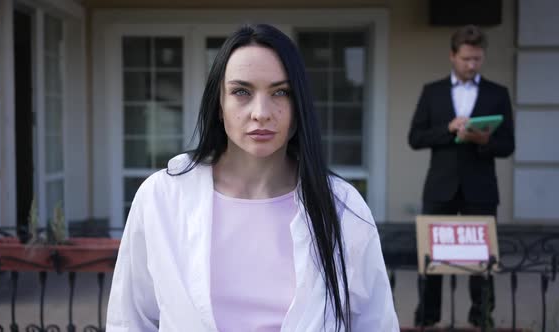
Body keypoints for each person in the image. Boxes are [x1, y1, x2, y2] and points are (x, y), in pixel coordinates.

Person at [107, 24, 399, 332]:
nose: (261, 112)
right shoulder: (161, 197)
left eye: (280, 92)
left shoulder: (342, 207)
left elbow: (375, 322)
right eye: (241, 92)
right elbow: (130, 320)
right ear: (219, 105)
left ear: (298, 106)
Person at [408, 25, 515, 327]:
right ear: (453, 56)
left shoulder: (498, 93)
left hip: (481, 189)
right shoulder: (433, 92)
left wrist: (485, 142)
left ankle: (482, 318)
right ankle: (427, 319)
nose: (472, 65)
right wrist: (448, 129)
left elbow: (508, 145)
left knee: (482, 261)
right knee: (432, 260)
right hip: (440, 188)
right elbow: (415, 137)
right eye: (466, 58)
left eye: (477, 59)